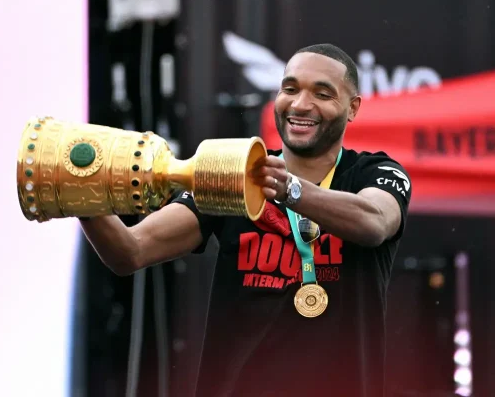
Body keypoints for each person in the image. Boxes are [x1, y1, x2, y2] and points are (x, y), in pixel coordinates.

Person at [81, 43, 412, 397]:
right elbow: (131, 251)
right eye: (290, 88)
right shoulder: (235, 174)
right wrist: (80, 199)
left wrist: (291, 190)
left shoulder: (375, 172)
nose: (300, 104)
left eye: (322, 93)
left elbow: (375, 223)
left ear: (353, 108)